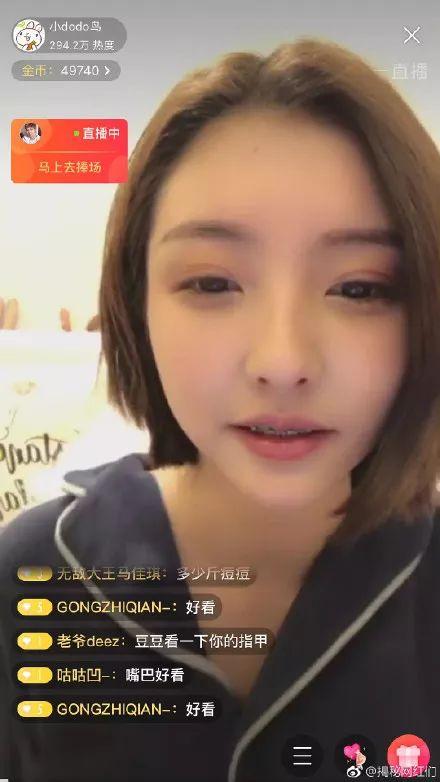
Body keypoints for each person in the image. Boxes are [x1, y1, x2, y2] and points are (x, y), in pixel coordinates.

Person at [1, 37, 440, 782]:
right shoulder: (31, 574)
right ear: (136, 303)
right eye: (211, 283)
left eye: (360, 288)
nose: (283, 362)